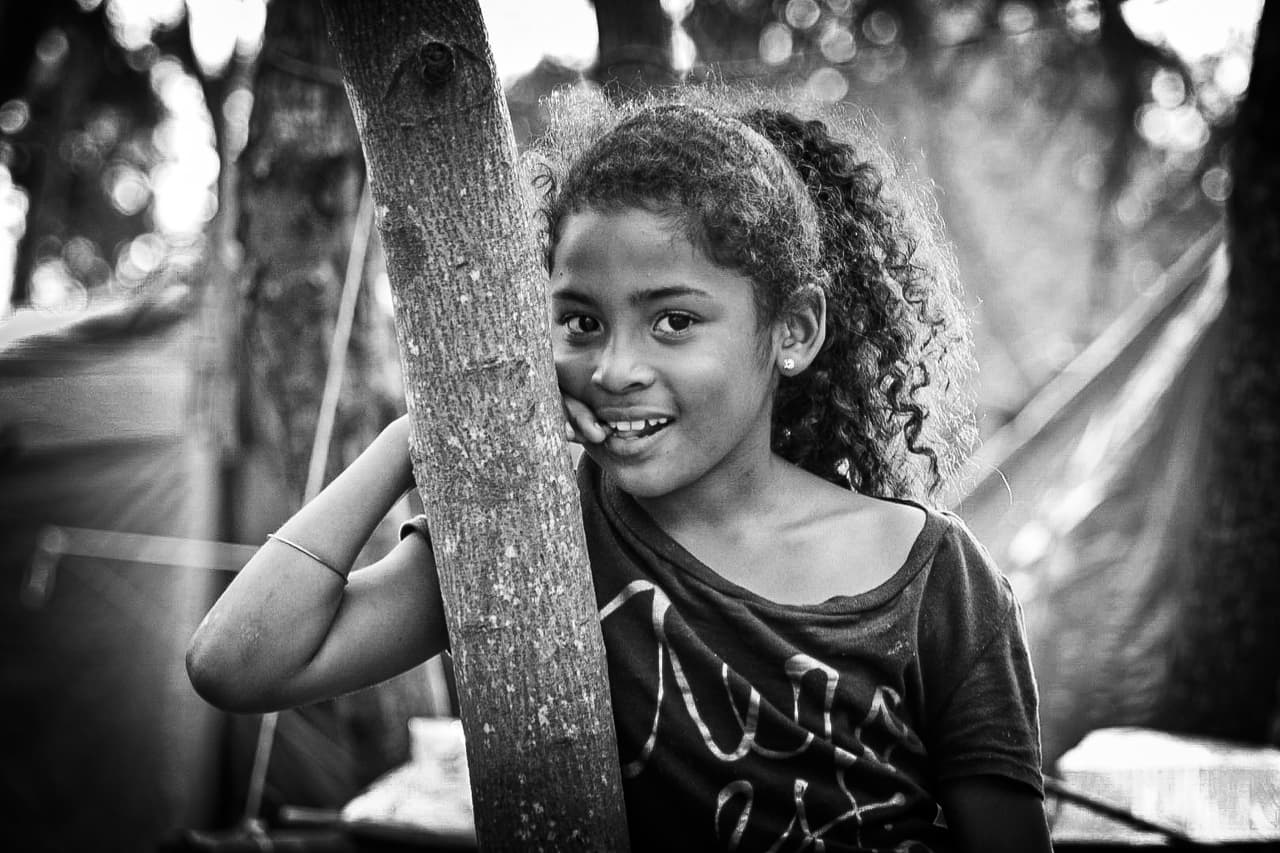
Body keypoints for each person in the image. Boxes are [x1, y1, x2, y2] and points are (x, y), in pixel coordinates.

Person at [188, 86, 1051, 852]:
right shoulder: (532, 532)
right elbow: (237, 663)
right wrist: (417, 439)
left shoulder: (933, 579)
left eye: (673, 321)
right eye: (581, 321)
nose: (614, 369)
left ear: (793, 330)